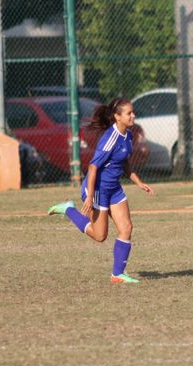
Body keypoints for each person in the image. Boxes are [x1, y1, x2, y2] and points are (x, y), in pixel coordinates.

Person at [47, 98, 154, 283]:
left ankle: (117, 274)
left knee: (126, 228)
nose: (133, 115)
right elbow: (93, 167)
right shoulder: (110, 138)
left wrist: (138, 182)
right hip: (98, 189)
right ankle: (68, 209)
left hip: (114, 189)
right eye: (129, 113)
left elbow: (125, 162)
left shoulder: (127, 135)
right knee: (100, 235)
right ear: (117, 116)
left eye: (133, 112)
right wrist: (89, 198)